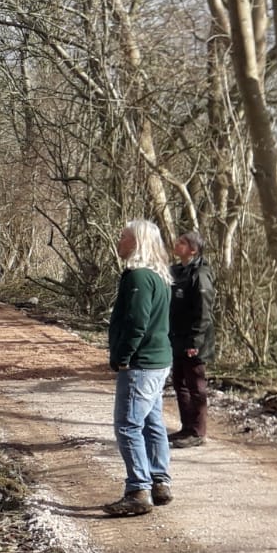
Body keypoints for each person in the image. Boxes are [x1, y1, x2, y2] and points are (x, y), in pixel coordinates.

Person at [105, 220, 173, 516]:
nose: (118, 241)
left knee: (128, 425)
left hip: (141, 363)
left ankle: (138, 490)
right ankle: (159, 481)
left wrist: (123, 356)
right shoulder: (160, 276)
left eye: (123, 237)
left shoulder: (138, 277)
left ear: (137, 243)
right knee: (152, 422)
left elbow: (136, 322)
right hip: (159, 361)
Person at [167, 230, 215, 449]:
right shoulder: (176, 271)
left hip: (195, 340)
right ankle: (186, 428)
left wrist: (195, 342)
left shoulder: (201, 274)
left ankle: (198, 432)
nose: (177, 244)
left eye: (183, 243)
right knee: (180, 383)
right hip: (177, 337)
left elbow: (204, 312)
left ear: (193, 250)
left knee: (196, 385)